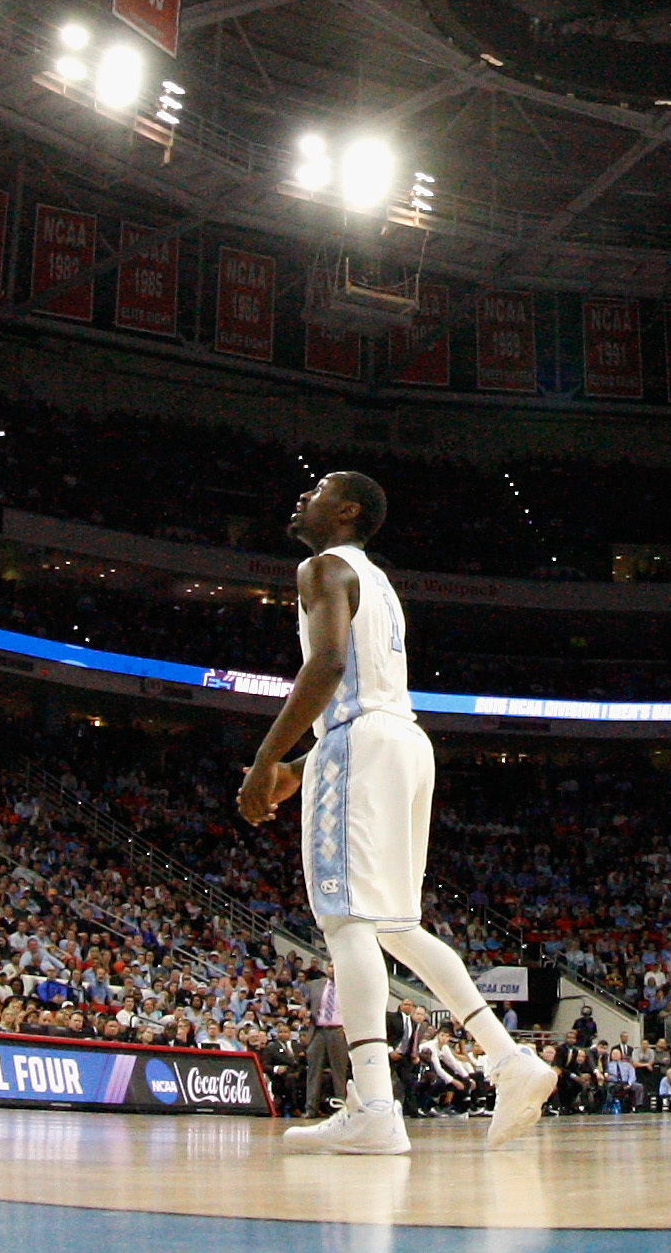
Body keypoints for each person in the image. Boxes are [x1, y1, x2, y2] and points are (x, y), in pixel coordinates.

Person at [238, 471, 557, 1154]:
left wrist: (267, 760)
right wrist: (301, 769)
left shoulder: (321, 565)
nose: (302, 496)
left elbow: (324, 667)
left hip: (360, 742)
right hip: (404, 743)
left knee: (347, 918)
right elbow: (364, 683)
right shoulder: (376, 579)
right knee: (397, 923)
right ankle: (510, 1061)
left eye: (317, 490)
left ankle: (375, 1108)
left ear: (346, 511)